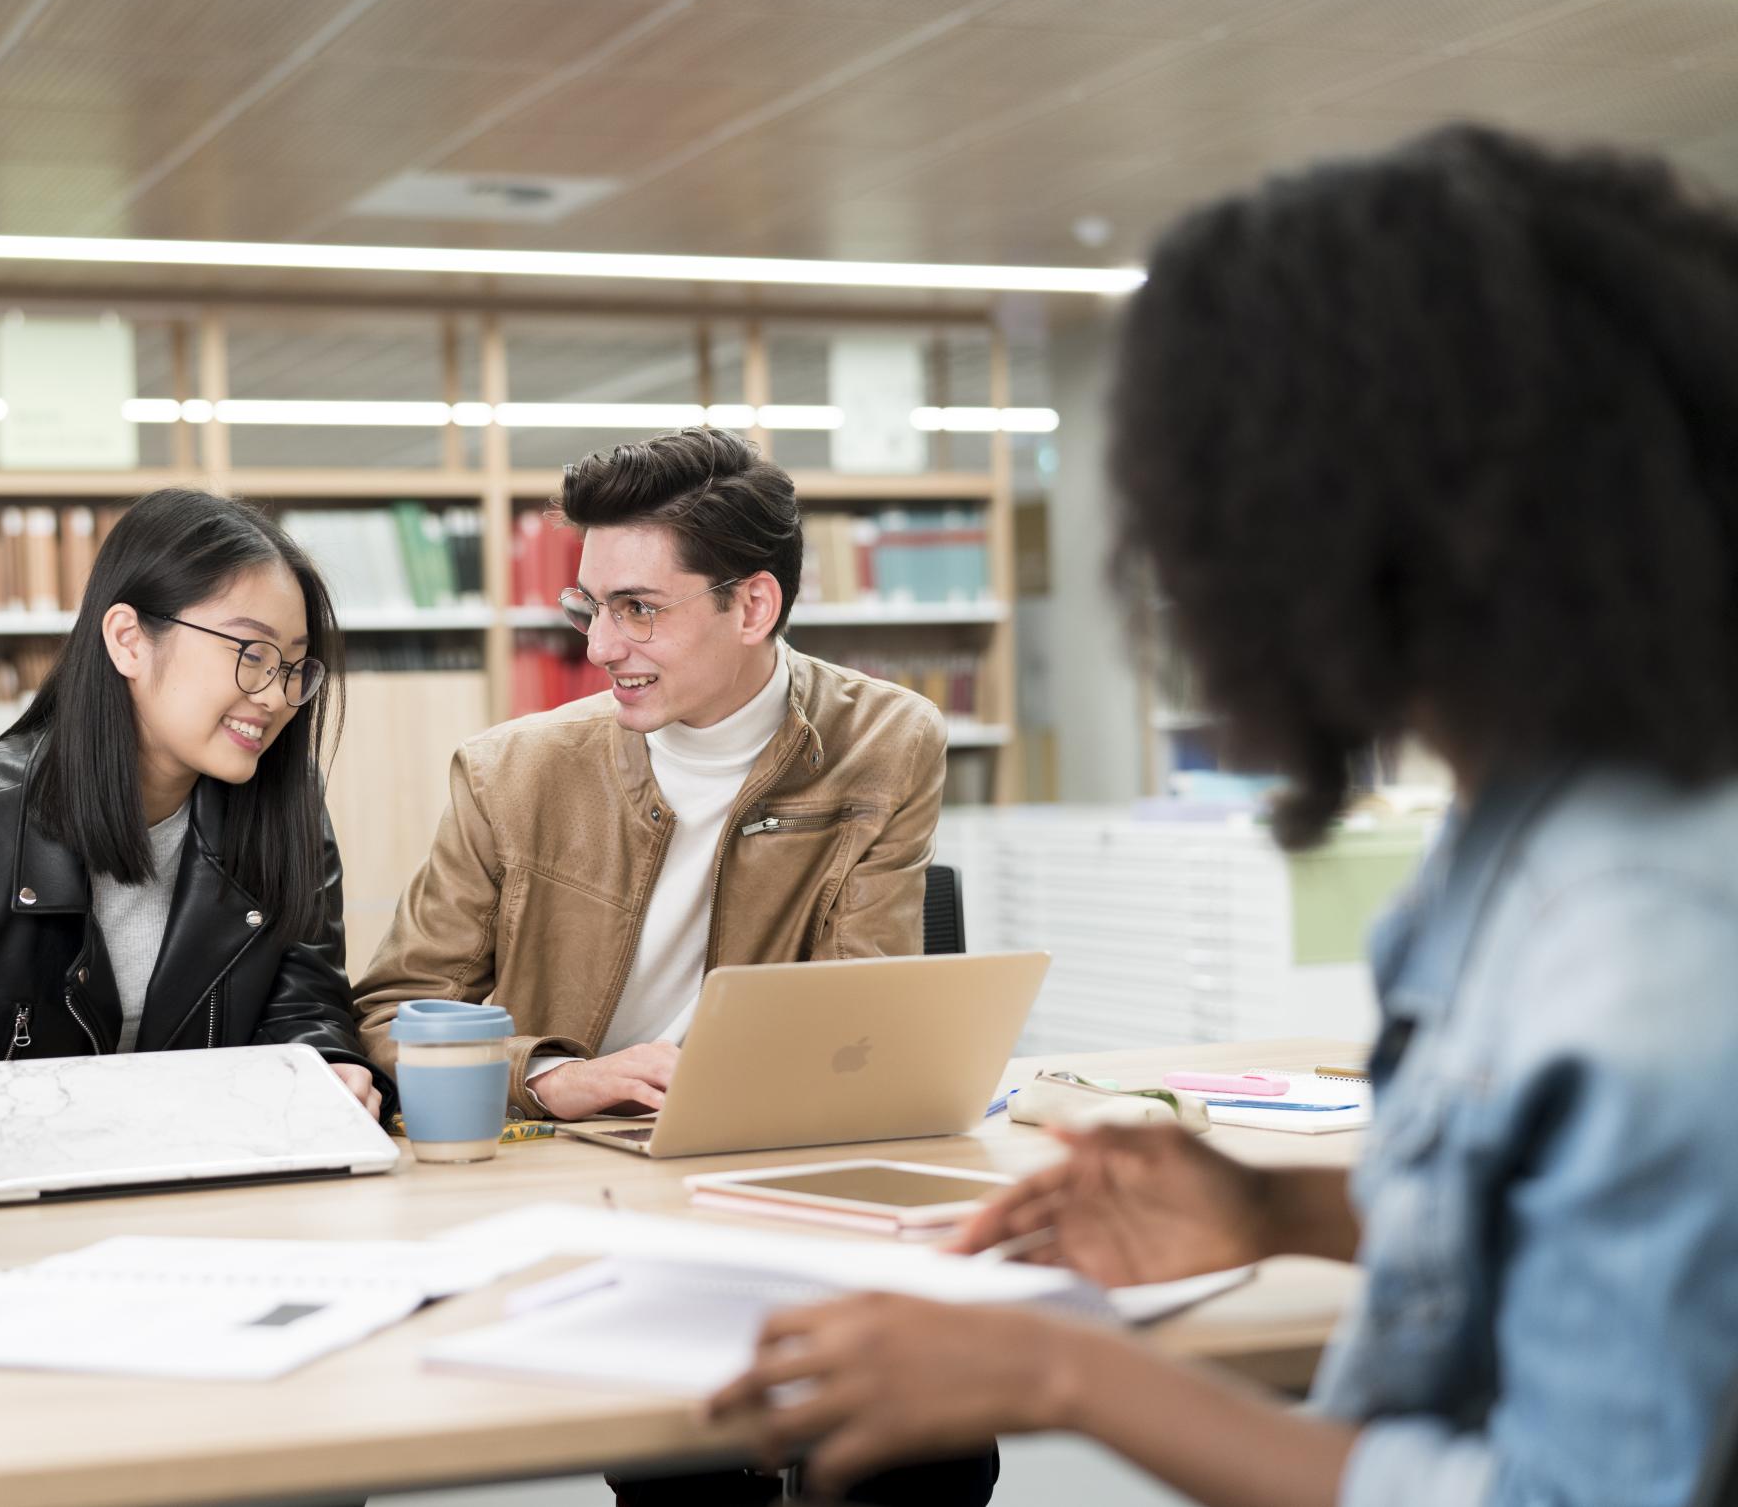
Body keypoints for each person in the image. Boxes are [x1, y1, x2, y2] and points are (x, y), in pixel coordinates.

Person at [707, 124, 1738, 1507]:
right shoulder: (1523, 822)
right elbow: (1567, 1217)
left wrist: (1061, 1374)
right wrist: (1278, 1208)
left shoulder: (1641, 928)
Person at [355, 426, 988, 1505]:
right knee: (690, 1465)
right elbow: (388, 1011)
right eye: (587, 608)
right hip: (595, 1187)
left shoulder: (887, 739)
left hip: (786, 1174)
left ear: (753, 608)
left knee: (934, 1444)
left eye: (638, 609)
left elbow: (862, 1008)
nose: (600, 645)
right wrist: (555, 1073)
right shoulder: (512, 773)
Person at [0, 488, 385, 1153]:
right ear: (128, 640)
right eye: (250, 653)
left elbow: (307, 1009)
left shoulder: (286, 817)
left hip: (201, 1197)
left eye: (292, 666)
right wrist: (62, 1112)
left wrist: (332, 1063)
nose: (275, 695)